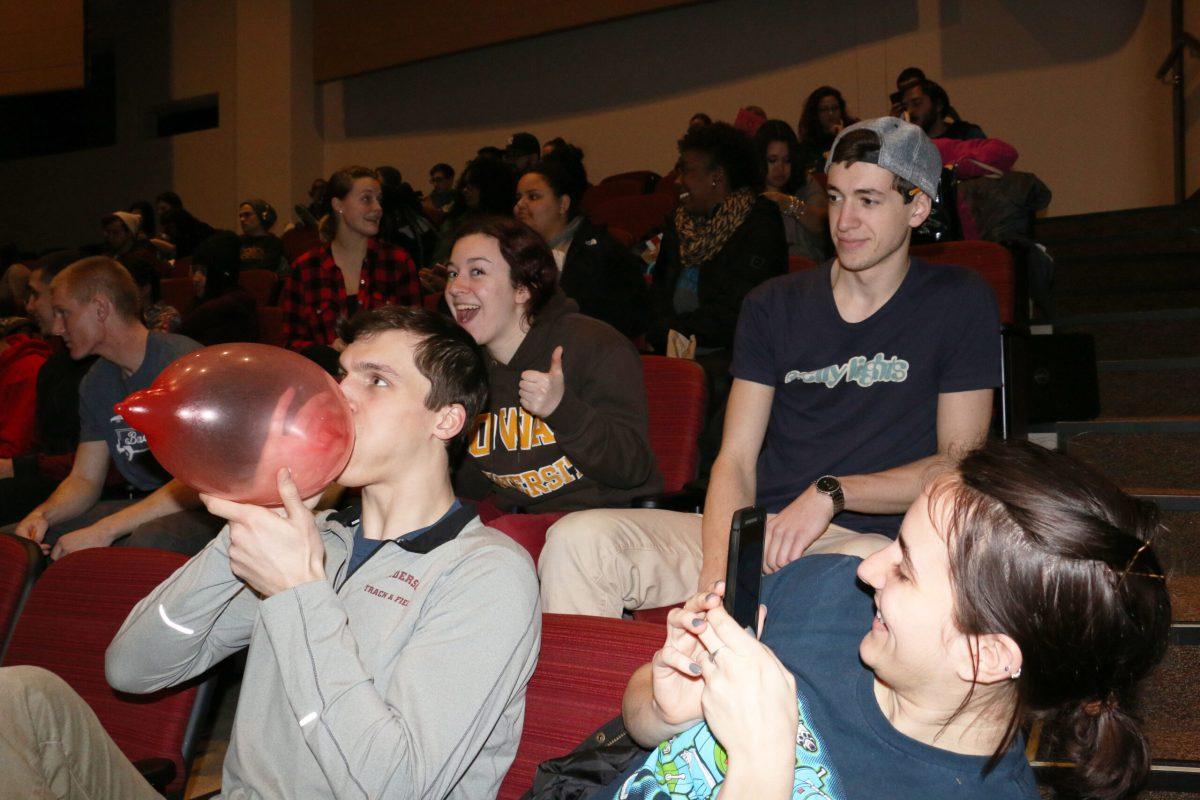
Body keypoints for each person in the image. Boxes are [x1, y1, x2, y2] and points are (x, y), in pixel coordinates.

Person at [0, 305, 541, 799]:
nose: (339, 395)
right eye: (341, 373)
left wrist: (298, 593)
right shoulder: (314, 537)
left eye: (376, 381)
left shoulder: (486, 573)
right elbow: (133, 669)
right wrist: (241, 529)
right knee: (19, 697)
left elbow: (395, 786)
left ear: (444, 420)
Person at [541, 117, 998, 617]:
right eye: (838, 196)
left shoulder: (957, 301)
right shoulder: (773, 305)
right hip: (754, 535)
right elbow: (735, 459)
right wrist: (719, 579)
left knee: (860, 574)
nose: (844, 221)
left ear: (917, 207)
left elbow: (957, 462)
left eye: (868, 200)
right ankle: (603, 690)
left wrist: (834, 493)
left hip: (864, 542)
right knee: (576, 542)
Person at [611, 440, 1171, 800]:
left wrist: (762, 761)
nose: (871, 568)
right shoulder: (826, 593)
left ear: (985, 655)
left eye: (906, 569)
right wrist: (664, 709)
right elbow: (636, 718)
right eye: (896, 543)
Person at [3, 257, 223, 558]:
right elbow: (84, 479)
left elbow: (198, 481)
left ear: (100, 308)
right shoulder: (95, 382)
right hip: (141, 505)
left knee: (150, 539)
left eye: (64, 313)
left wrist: (106, 528)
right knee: (14, 542)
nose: (56, 328)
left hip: (209, 505)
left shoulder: (184, 364)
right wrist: (43, 515)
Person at [446, 216, 661, 514]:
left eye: (477, 271)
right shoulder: (465, 369)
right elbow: (470, 489)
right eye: (452, 273)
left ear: (523, 288)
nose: (456, 287)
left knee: (564, 537)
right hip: (524, 530)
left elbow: (632, 469)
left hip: (608, 521)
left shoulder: (593, 345)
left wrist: (562, 410)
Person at [649, 121, 787, 466]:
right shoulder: (678, 224)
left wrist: (682, 331)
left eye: (688, 171)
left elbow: (744, 310)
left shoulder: (758, 222)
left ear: (717, 176)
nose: (679, 180)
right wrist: (667, 331)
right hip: (677, 347)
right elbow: (657, 297)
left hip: (733, 352)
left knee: (706, 384)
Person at [280, 165, 422, 374]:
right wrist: (327, 351)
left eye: (379, 199)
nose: (378, 208)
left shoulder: (397, 262)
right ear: (338, 205)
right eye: (366, 199)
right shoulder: (305, 269)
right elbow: (291, 346)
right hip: (324, 384)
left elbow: (417, 336)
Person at [0, 251, 96, 524]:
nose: (28, 306)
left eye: (35, 295)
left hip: (78, 483)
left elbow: (93, 469)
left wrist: (17, 467)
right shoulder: (55, 364)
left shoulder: (98, 369)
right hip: (54, 475)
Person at [514, 153, 650, 338]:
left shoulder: (600, 252)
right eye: (519, 197)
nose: (520, 205)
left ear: (563, 204)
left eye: (533, 197)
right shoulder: (513, 251)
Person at [754, 119, 829, 262]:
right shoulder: (746, 191)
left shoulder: (805, 182)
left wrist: (787, 203)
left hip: (810, 269)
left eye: (787, 160)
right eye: (772, 160)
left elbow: (822, 224)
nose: (780, 168)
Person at [180, 231, 259, 345]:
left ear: (217, 273)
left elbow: (182, 332)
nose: (196, 279)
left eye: (203, 272)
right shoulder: (198, 302)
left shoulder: (237, 301)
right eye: (195, 270)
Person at [796, 86, 857, 177]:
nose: (830, 113)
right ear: (815, 114)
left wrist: (843, 139)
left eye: (835, 108)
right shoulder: (807, 147)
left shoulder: (853, 135)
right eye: (824, 110)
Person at [903, 79, 986, 140]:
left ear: (938, 105)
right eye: (906, 107)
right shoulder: (910, 143)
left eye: (916, 103)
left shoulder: (967, 135)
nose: (910, 111)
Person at [236, 198, 286, 276]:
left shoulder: (274, 243)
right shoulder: (236, 242)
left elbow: (268, 268)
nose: (242, 219)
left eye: (247, 215)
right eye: (240, 216)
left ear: (262, 217)